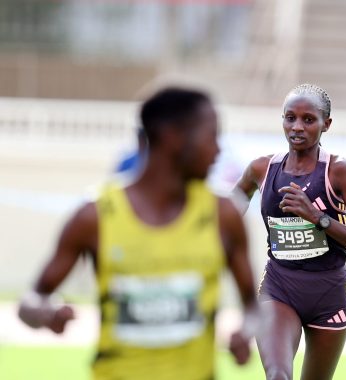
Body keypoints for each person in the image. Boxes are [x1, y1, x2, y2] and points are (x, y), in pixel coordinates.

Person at [18, 87, 259, 380]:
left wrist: (245, 333)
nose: (218, 150)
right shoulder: (94, 216)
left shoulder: (223, 215)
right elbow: (32, 300)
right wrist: (45, 314)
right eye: (211, 136)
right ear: (173, 137)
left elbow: (252, 306)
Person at [234, 83, 346, 380]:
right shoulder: (262, 169)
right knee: (277, 375)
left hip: (329, 294)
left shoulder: (339, 171)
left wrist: (317, 217)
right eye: (290, 118)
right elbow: (227, 214)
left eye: (308, 119)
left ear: (326, 124)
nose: (297, 127)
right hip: (279, 288)